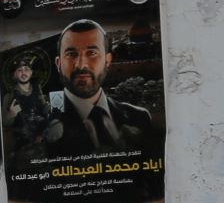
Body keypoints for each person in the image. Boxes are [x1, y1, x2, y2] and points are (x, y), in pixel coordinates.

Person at [39, 21, 164, 159]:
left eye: (92, 53)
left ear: (108, 60)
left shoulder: (139, 118)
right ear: (58, 64)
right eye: (71, 54)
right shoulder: (44, 126)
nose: (81, 65)